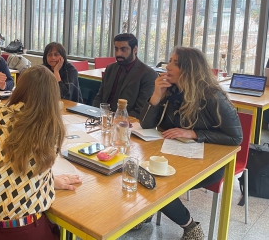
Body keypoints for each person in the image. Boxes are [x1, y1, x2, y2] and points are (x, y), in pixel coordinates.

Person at [0, 65, 81, 240]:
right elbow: (27, 164)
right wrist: (49, 181)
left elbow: (7, 161)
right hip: (23, 231)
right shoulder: (50, 130)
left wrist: (47, 180)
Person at [139, 47, 242, 240]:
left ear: (190, 69)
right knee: (140, 172)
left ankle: (191, 227)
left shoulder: (213, 96)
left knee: (158, 185)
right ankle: (147, 211)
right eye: (169, 61)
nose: (167, 66)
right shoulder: (171, 91)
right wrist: (156, 96)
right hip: (174, 153)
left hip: (208, 163)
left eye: (175, 63)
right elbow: (146, 125)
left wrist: (194, 133)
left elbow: (236, 138)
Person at [92, 33, 157, 117]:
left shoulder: (148, 74)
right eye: (116, 49)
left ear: (135, 50)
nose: (118, 53)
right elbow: (99, 97)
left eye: (124, 49)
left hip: (126, 123)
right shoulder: (110, 69)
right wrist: (93, 114)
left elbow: (140, 110)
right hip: (102, 118)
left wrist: (117, 120)